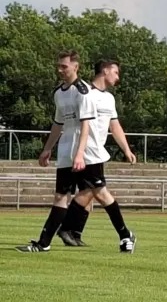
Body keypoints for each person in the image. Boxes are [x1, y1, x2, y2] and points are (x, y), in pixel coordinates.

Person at [16, 50, 95, 252]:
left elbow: (86, 125)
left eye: (64, 66)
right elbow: (58, 124)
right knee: (62, 195)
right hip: (65, 152)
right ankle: (46, 242)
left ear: (76, 67)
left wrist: (80, 153)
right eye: (59, 66)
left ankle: (64, 232)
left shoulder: (83, 90)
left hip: (82, 153)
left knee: (90, 192)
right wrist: (47, 148)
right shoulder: (58, 92)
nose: (60, 70)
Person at [57, 59, 137, 253]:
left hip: (95, 153)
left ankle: (70, 230)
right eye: (116, 72)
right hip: (84, 152)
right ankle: (125, 235)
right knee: (99, 192)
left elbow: (114, 125)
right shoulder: (85, 93)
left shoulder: (109, 98)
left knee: (89, 192)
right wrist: (78, 151)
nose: (117, 77)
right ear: (105, 71)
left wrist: (126, 149)